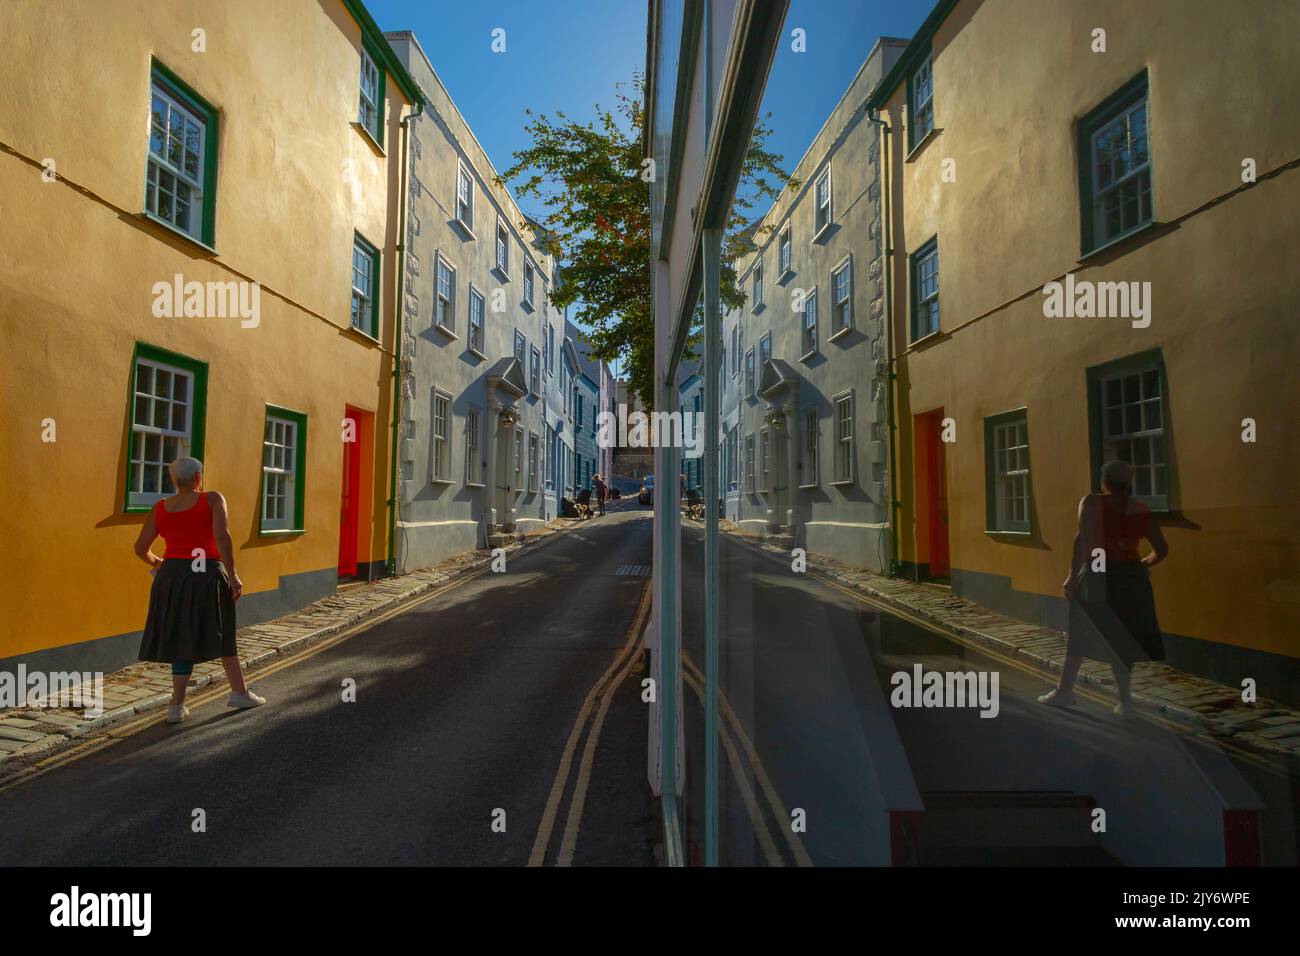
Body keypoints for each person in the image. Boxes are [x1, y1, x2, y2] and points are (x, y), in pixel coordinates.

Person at [134, 458, 266, 723]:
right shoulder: (212, 499)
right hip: (205, 573)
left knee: (182, 636)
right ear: (198, 477)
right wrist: (234, 575)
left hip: (172, 576)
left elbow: (140, 548)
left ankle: (176, 706)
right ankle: (239, 692)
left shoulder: (160, 507)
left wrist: (160, 563)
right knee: (223, 629)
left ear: (174, 481)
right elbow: (222, 536)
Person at [1039, 459, 1168, 719]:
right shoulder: (1141, 509)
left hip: (1098, 573)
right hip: (1131, 579)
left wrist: (1072, 576)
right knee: (1122, 639)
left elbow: (1083, 538)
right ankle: (1125, 703)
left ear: (1104, 481)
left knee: (1079, 630)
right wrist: (1142, 565)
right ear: (1129, 482)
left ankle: (1065, 691)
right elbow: (1162, 550)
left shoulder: (1091, 503)